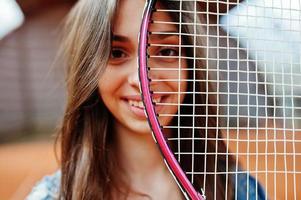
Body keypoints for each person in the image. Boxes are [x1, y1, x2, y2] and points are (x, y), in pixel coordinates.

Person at [27, 0, 266, 199]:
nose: (142, 79)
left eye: (167, 52)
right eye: (117, 53)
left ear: (192, 64)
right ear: (88, 68)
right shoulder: (49, 197)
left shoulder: (244, 191)